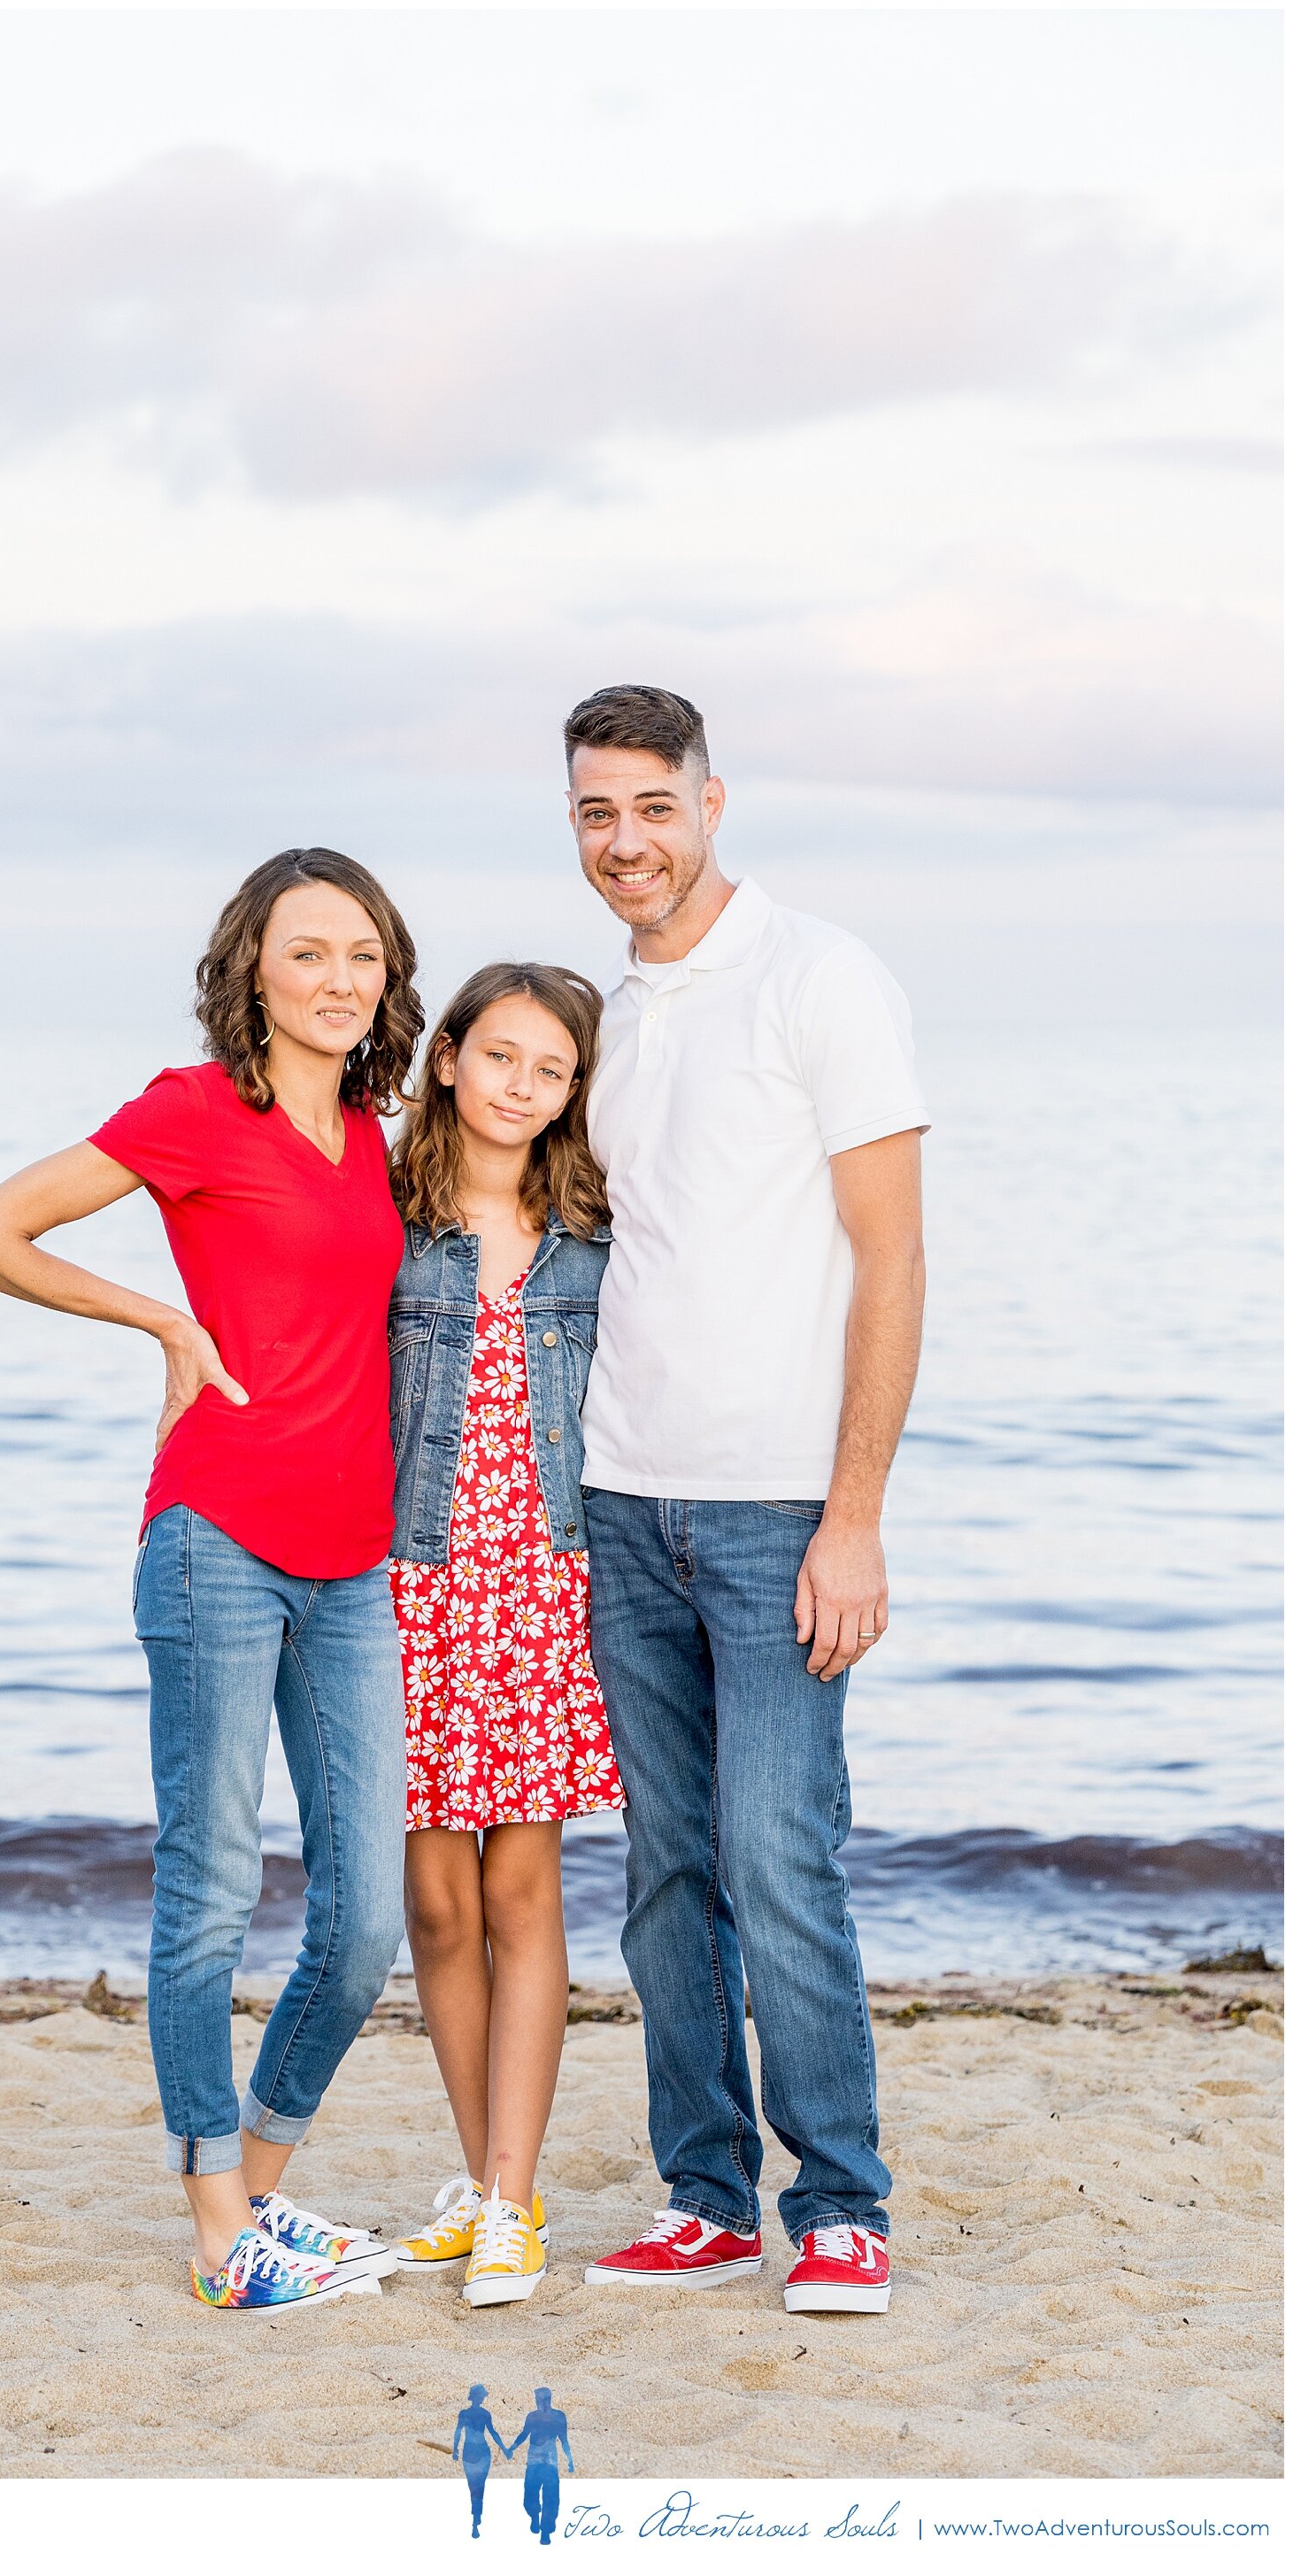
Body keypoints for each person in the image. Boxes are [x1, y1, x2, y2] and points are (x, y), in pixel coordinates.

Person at [0, 847, 424, 2313]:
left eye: (363, 955)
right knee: (211, 1889)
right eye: (308, 953)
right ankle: (220, 2231)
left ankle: (255, 2195)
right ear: (252, 969)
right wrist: (160, 1321)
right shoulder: (195, 1111)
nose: (338, 980)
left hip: (355, 1559)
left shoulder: (388, 1139)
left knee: (368, 1915)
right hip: (216, 1534)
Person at [565, 687, 928, 2317]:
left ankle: (840, 2202)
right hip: (621, 1500)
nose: (625, 842)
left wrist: (855, 1513)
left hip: (783, 1506)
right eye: (594, 814)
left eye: (651, 806)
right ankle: (705, 2197)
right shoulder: (608, 1018)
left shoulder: (821, 976)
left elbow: (894, 1255)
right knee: (664, 1871)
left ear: (714, 801)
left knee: (781, 1854)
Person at [383, 965, 625, 2308]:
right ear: (453, 1058)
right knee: (432, 1900)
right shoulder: (392, 1215)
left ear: (575, 1089)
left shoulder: (594, 1229)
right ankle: (487, 2189)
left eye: (553, 1067)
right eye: (501, 1056)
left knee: (522, 1891)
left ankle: (513, 2201)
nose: (522, 1085)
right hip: (409, 1583)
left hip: (541, 1588)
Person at [508, 2387, 573, 2542]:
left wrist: (570, 2459)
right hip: (537, 2460)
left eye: (539, 2399)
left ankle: (545, 2529)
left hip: (547, 2461)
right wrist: (513, 2447)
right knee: (533, 2492)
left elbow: (564, 2440)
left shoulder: (557, 2417)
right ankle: (536, 2517)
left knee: (549, 2495)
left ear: (545, 2400)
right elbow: (524, 2434)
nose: (538, 2402)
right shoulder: (534, 2417)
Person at [452, 2384, 509, 2536]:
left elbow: (493, 2432)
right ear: (477, 2397)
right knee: (476, 2487)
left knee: (476, 2486)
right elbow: (459, 2431)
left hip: (477, 2452)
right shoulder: (477, 2414)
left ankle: (476, 2518)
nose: (483, 2398)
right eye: (482, 2396)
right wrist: (455, 2449)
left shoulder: (476, 2414)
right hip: (476, 2452)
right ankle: (476, 2518)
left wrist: (504, 2449)